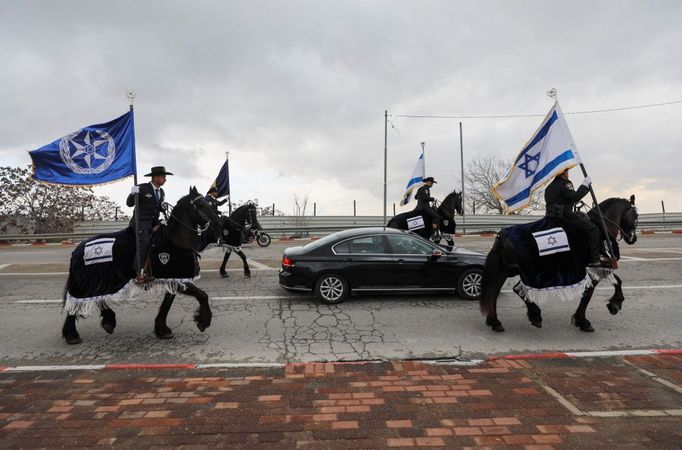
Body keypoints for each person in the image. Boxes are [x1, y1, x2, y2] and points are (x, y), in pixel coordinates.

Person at [544, 168, 604, 267]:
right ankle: (595, 259)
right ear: (562, 173)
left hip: (550, 217)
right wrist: (585, 184)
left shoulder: (549, 187)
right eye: (566, 171)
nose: (568, 173)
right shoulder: (565, 183)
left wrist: (572, 202)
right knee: (593, 229)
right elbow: (574, 197)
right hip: (565, 216)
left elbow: (560, 200)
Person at [126, 166, 173, 283]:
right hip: (140, 222)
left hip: (153, 223)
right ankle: (139, 272)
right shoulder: (142, 188)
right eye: (163, 177)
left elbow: (157, 208)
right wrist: (132, 194)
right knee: (144, 242)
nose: (165, 180)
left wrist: (162, 208)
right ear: (156, 177)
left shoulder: (161, 192)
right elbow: (129, 203)